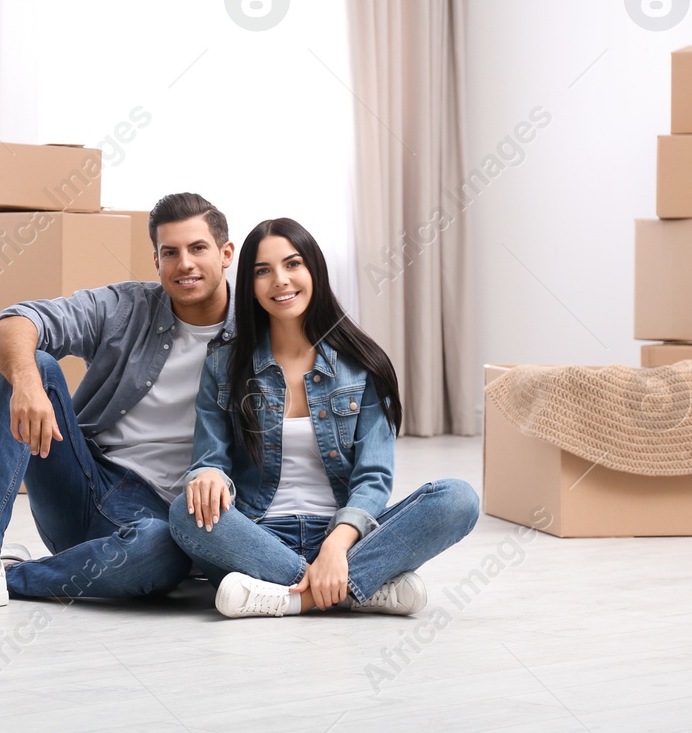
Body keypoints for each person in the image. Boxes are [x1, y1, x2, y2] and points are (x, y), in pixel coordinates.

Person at [0, 193, 236, 613]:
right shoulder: (127, 307)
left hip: (174, 521)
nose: (184, 263)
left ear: (226, 254)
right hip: (86, 486)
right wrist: (27, 384)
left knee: (160, 552)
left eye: (197, 248)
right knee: (32, 362)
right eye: (170, 252)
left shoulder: (258, 337)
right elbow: (13, 323)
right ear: (156, 262)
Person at [169, 217, 478, 618]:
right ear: (249, 285)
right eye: (263, 271)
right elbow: (209, 459)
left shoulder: (362, 364)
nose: (280, 280)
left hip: (345, 534)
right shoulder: (223, 365)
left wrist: (336, 544)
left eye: (293, 264)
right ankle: (357, 588)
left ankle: (292, 597)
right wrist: (207, 475)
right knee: (183, 513)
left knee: (458, 498)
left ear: (314, 269)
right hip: (258, 537)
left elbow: (374, 477)